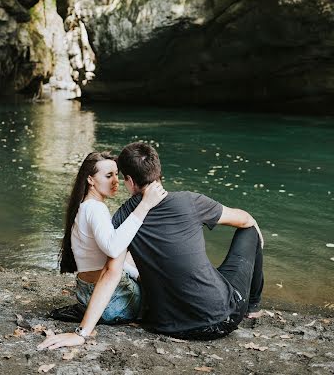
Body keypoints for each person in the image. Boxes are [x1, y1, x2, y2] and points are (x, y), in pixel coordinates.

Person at [38, 143, 263, 350]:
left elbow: (111, 273)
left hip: (168, 325)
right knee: (249, 230)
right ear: (157, 170)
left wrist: (82, 333)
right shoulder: (191, 201)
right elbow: (243, 220)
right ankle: (252, 307)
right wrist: (255, 226)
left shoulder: (124, 216)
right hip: (222, 319)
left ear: (129, 181)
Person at [52, 151, 167, 326]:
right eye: (108, 175)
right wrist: (144, 205)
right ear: (90, 180)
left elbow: (111, 256)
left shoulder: (83, 206)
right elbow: (113, 248)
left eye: (116, 174)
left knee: (128, 255)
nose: (115, 181)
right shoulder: (96, 209)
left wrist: (136, 275)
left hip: (86, 294)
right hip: (114, 304)